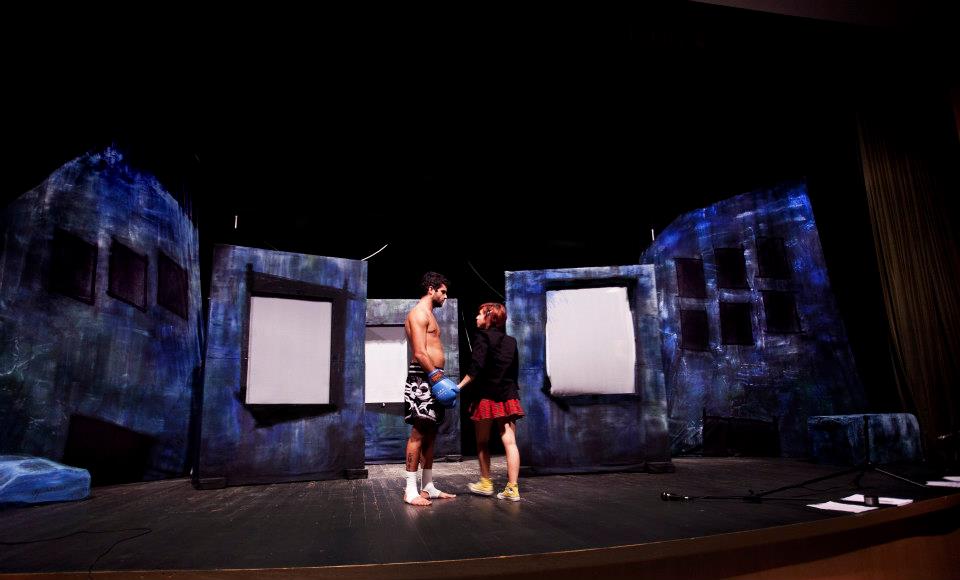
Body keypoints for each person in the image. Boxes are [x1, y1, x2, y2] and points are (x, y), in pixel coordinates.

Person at [402, 272, 459, 506]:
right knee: (418, 433)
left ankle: (427, 486)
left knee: (431, 433)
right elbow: (419, 352)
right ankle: (410, 490)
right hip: (423, 378)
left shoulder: (430, 315)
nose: (445, 296)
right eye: (443, 292)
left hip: (433, 377)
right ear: (431, 290)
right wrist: (435, 377)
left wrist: (438, 377)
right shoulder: (418, 313)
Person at [458, 302, 524, 501]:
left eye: (479, 314)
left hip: (486, 396)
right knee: (510, 442)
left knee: (482, 442)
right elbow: (514, 372)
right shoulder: (511, 341)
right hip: (507, 395)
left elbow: (475, 368)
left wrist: (458, 387)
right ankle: (512, 488)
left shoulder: (482, 337)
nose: (476, 317)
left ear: (489, 317)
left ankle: (486, 483)